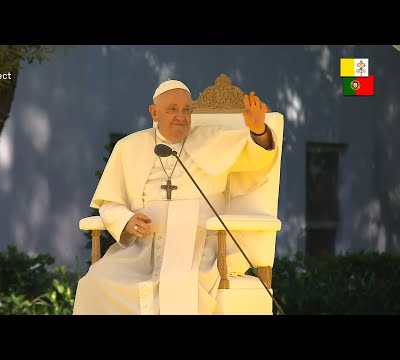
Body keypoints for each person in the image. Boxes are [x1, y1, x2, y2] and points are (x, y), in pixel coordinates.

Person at [73, 79, 279, 315]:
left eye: (186, 110)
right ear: (154, 112)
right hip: (142, 247)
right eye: (172, 109)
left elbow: (257, 158)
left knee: (178, 288)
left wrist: (258, 130)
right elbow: (110, 203)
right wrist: (126, 221)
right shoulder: (129, 147)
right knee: (94, 284)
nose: (181, 117)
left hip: (199, 246)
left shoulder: (212, 139)